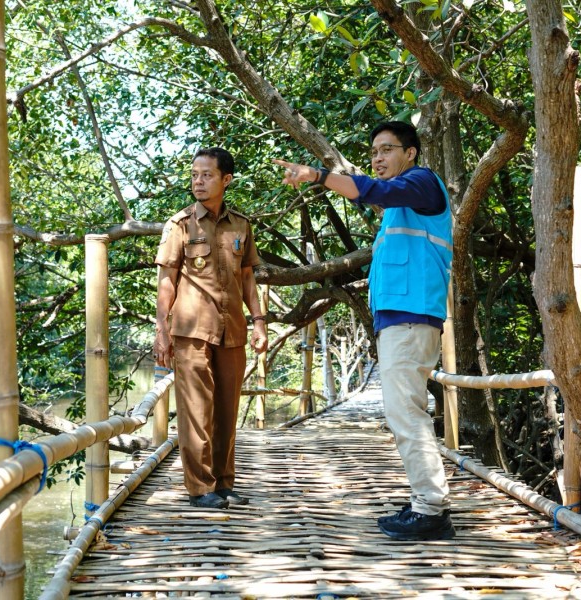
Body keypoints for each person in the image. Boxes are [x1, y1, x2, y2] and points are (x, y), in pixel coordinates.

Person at [274, 121, 455, 541]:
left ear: (410, 153)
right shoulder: (402, 204)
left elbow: (373, 189)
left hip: (411, 318)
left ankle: (430, 509)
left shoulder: (422, 183)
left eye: (387, 149)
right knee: (405, 412)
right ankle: (425, 503)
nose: (377, 158)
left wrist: (317, 176)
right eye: (373, 151)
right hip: (402, 318)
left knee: (406, 414)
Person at [154, 147, 268, 509]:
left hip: (232, 328)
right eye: (194, 175)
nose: (198, 182)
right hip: (191, 330)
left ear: (226, 180)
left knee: (226, 409)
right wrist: (162, 329)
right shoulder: (180, 225)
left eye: (206, 175)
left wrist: (259, 321)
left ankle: (224, 482)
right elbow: (166, 280)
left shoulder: (241, 225)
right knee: (196, 411)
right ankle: (200, 488)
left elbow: (247, 276)